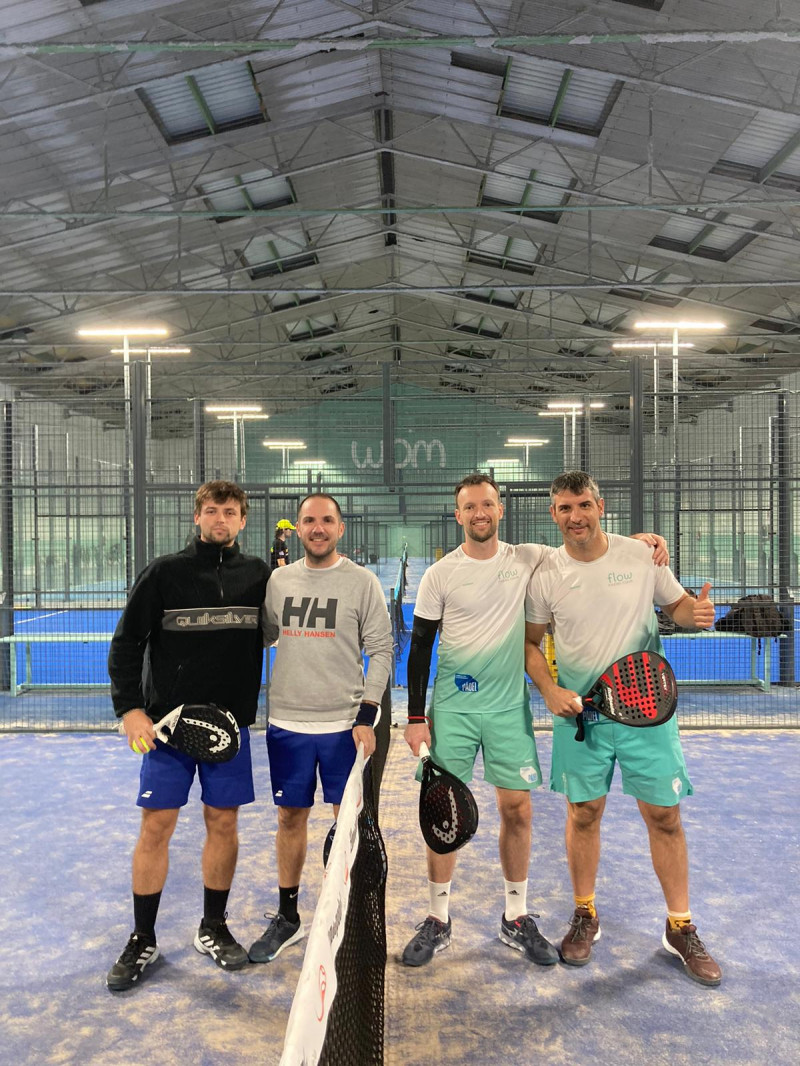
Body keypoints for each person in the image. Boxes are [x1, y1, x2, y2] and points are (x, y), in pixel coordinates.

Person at [402, 473, 668, 968]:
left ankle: (516, 916)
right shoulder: (440, 574)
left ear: (500, 510)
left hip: (508, 709)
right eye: (469, 507)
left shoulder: (530, 558)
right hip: (453, 711)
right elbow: (419, 648)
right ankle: (437, 918)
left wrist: (638, 544)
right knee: (442, 811)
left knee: (518, 811)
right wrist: (417, 716)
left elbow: (585, 542)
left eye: (487, 504)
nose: (479, 513)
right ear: (458, 515)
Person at [524, 470, 721, 986]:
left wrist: (695, 612)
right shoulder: (546, 572)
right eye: (565, 508)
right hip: (582, 716)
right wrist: (549, 690)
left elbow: (677, 607)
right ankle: (585, 913)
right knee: (584, 813)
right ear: (554, 514)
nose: (576, 517)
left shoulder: (640, 556)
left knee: (665, 816)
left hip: (646, 710)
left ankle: (680, 926)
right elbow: (529, 642)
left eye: (584, 505)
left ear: (601, 506)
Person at [106, 481, 271, 991]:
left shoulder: (259, 576)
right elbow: (126, 643)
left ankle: (213, 927)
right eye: (211, 510)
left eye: (230, 511)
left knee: (223, 823)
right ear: (197, 517)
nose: (220, 519)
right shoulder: (163, 574)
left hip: (229, 731)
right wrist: (130, 710)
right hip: (166, 731)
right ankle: (142, 938)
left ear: (242, 520)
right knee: (156, 827)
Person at [249, 493, 393, 963]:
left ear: (340, 528)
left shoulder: (362, 582)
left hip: (342, 726)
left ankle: (345, 919)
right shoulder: (278, 581)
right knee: (289, 818)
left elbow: (382, 650)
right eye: (309, 520)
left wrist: (367, 715)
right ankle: (288, 916)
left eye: (326, 520)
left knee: (345, 823)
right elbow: (263, 635)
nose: (317, 528)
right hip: (287, 723)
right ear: (299, 528)